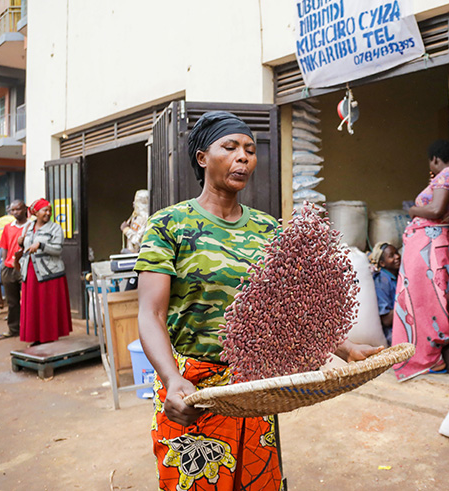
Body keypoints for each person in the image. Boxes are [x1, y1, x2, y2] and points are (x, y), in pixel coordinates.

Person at [136, 111, 381, 491]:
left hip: (254, 390)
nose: (243, 158)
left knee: (257, 482)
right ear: (202, 158)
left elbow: (289, 311)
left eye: (250, 150)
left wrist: (344, 347)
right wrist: (172, 379)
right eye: (230, 147)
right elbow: (151, 312)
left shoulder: (268, 229)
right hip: (194, 390)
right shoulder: (169, 225)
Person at [392, 139, 449, 381]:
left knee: (421, 302)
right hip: (430, 246)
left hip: (428, 248)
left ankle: (427, 359)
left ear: (436, 159)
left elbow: (437, 209)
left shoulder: (446, 174)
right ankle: (429, 357)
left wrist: (412, 211)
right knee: (426, 301)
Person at [18, 198, 72, 346]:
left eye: (50, 210)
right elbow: (25, 248)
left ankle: (48, 337)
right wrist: (21, 242)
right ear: (36, 212)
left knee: (47, 305)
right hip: (30, 271)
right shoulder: (28, 227)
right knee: (33, 305)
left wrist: (41, 245)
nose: (48, 213)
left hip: (49, 272)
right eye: (44, 210)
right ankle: (35, 337)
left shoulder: (55, 228)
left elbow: (58, 250)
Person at [0, 200, 30, 341]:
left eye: (18, 209)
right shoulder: (8, 228)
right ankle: (13, 329)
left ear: (25, 209)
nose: (15, 212)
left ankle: (29, 329)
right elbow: (4, 246)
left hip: (25, 267)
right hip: (9, 268)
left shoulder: (31, 226)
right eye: (13, 210)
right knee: (12, 302)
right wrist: (4, 263)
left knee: (28, 300)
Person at [369, 241, 400, 346]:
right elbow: (386, 319)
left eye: (396, 253)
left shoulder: (397, 276)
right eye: (391, 256)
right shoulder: (382, 280)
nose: (397, 257)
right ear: (382, 263)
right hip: (392, 334)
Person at [120, 189, 149, 253]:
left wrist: (126, 230)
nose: (134, 203)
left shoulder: (147, 219)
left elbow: (139, 240)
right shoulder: (136, 217)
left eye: (136, 201)